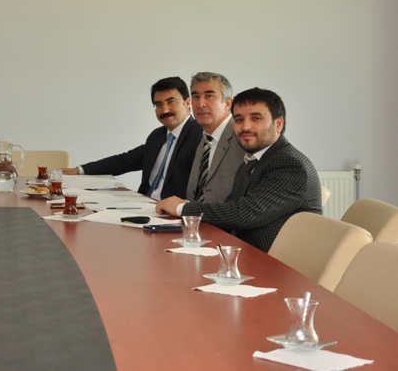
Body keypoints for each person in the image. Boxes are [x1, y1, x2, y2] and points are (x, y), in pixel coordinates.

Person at [156, 87, 322, 252]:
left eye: (256, 118)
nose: (245, 127)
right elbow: (229, 207)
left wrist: (182, 208)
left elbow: (245, 214)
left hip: (275, 264)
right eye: (239, 119)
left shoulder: (290, 164)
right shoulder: (252, 161)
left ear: (278, 124)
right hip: (245, 253)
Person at [62, 77, 203, 200]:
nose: (165, 110)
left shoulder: (200, 135)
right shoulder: (157, 136)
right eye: (158, 105)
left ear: (187, 102)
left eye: (171, 101)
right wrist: (80, 170)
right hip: (144, 205)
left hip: (174, 213)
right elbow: (124, 161)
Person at [184, 72, 246, 204]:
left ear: (228, 103)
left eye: (209, 96)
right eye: (196, 96)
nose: (200, 104)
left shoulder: (243, 135)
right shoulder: (205, 137)